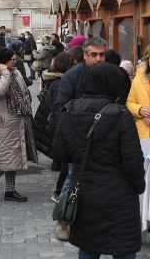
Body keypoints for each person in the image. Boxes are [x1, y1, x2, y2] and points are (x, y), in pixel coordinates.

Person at [52, 63, 146, 259]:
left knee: (88, 247)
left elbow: (59, 152)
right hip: (119, 195)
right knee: (124, 249)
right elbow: (133, 162)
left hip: (84, 189)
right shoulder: (121, 115)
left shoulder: (69, 111)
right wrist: (139, 187)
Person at [52, 37, 107, 240]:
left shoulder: (111, 75)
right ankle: (63, 220)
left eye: (102, 54)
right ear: (84, 56)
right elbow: (60, 108)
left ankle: (97, 219)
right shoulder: (72, 76)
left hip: (105, 138)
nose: (98, 59)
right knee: (72, 179)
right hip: (79, 138)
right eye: (94, 54)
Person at [0, 47, 37, 203]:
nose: (14, 62)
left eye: (14, 59)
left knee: (14, 156)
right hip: (2, 122)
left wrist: (26, 102)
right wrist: (5, 73)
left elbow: (24, 91)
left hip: (17, 118)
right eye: (10, 60)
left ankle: (10, 190)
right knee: (5, 157)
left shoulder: (16, 72)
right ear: (1, 62)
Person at [32, 52, 74, 178]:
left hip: (54, 120)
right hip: (57, 121)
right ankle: (58, 162)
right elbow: (57, 107)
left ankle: (57, 161)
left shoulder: (55, 80)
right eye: (73, 64)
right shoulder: (60, 83)